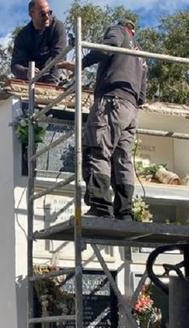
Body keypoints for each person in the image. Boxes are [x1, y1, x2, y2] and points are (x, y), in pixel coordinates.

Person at [60, 19, 148, 219]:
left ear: (124, 28)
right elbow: (142, 95)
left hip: (111, 101)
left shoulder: (118, 31)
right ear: (134, 30)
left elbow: (107, 48)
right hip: (131, 109)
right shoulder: (141, 55)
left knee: (98, 150)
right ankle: (124, 211)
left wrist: (79, 65)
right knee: (122, 159)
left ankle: (100, 207)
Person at [10, 0, 67, 84]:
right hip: (32, 79)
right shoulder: (23, 36)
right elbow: (15, 65)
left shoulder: (57, 27)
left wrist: (51, 85)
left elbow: (59, 57)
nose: (47, 17)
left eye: (49, 12)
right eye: (43, 14)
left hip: (55, 74)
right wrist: (27, 72)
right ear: (31, 14)